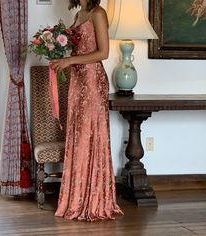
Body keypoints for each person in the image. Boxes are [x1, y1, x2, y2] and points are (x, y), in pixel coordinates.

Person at [50, 0, 124, 221]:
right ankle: (76, 198)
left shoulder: (98, 13)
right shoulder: (80, 13)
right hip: (78, 79)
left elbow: (103, 53)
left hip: (92, 80)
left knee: (90, 135)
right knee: (78, 136)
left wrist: (70, 59)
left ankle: (93, 200)